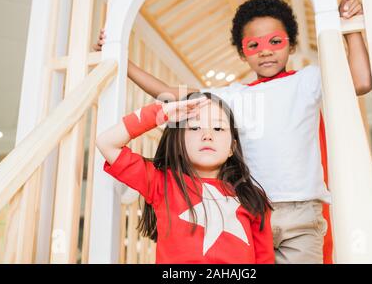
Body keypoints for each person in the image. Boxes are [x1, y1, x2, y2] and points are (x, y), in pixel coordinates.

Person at [94, 0, 372, 264]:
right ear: (242, 53)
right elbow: (169, 93)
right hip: (246, 208)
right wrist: (122, 61)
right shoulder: (233, 96)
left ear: (292, 44)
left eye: (275, 41)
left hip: (301, 214)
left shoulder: (308, 80)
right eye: (254, 45)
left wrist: (351, 28)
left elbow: (359, 82)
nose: (265, 50)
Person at [96, 92, 275, 264]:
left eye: (218, 128)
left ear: (232, 147)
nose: (207, 135)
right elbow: (107, 143)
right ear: (178, 142)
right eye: (195, 127)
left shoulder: (252, 197)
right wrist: (162, 113)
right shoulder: (161, 183)